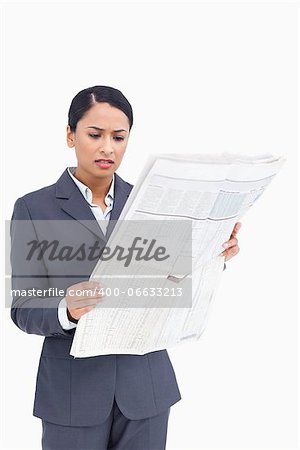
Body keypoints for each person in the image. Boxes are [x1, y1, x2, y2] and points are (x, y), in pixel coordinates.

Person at [10, 85, 241, 450]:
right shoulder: (34, 208)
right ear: (70, 135)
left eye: (119, 137)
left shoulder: (151, 202)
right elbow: (23, 309)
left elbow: (175, 280)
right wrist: (65, 310)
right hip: (73, 394)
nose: (108, 148)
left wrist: (216, 252)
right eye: (94, 134)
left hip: (145, 389)